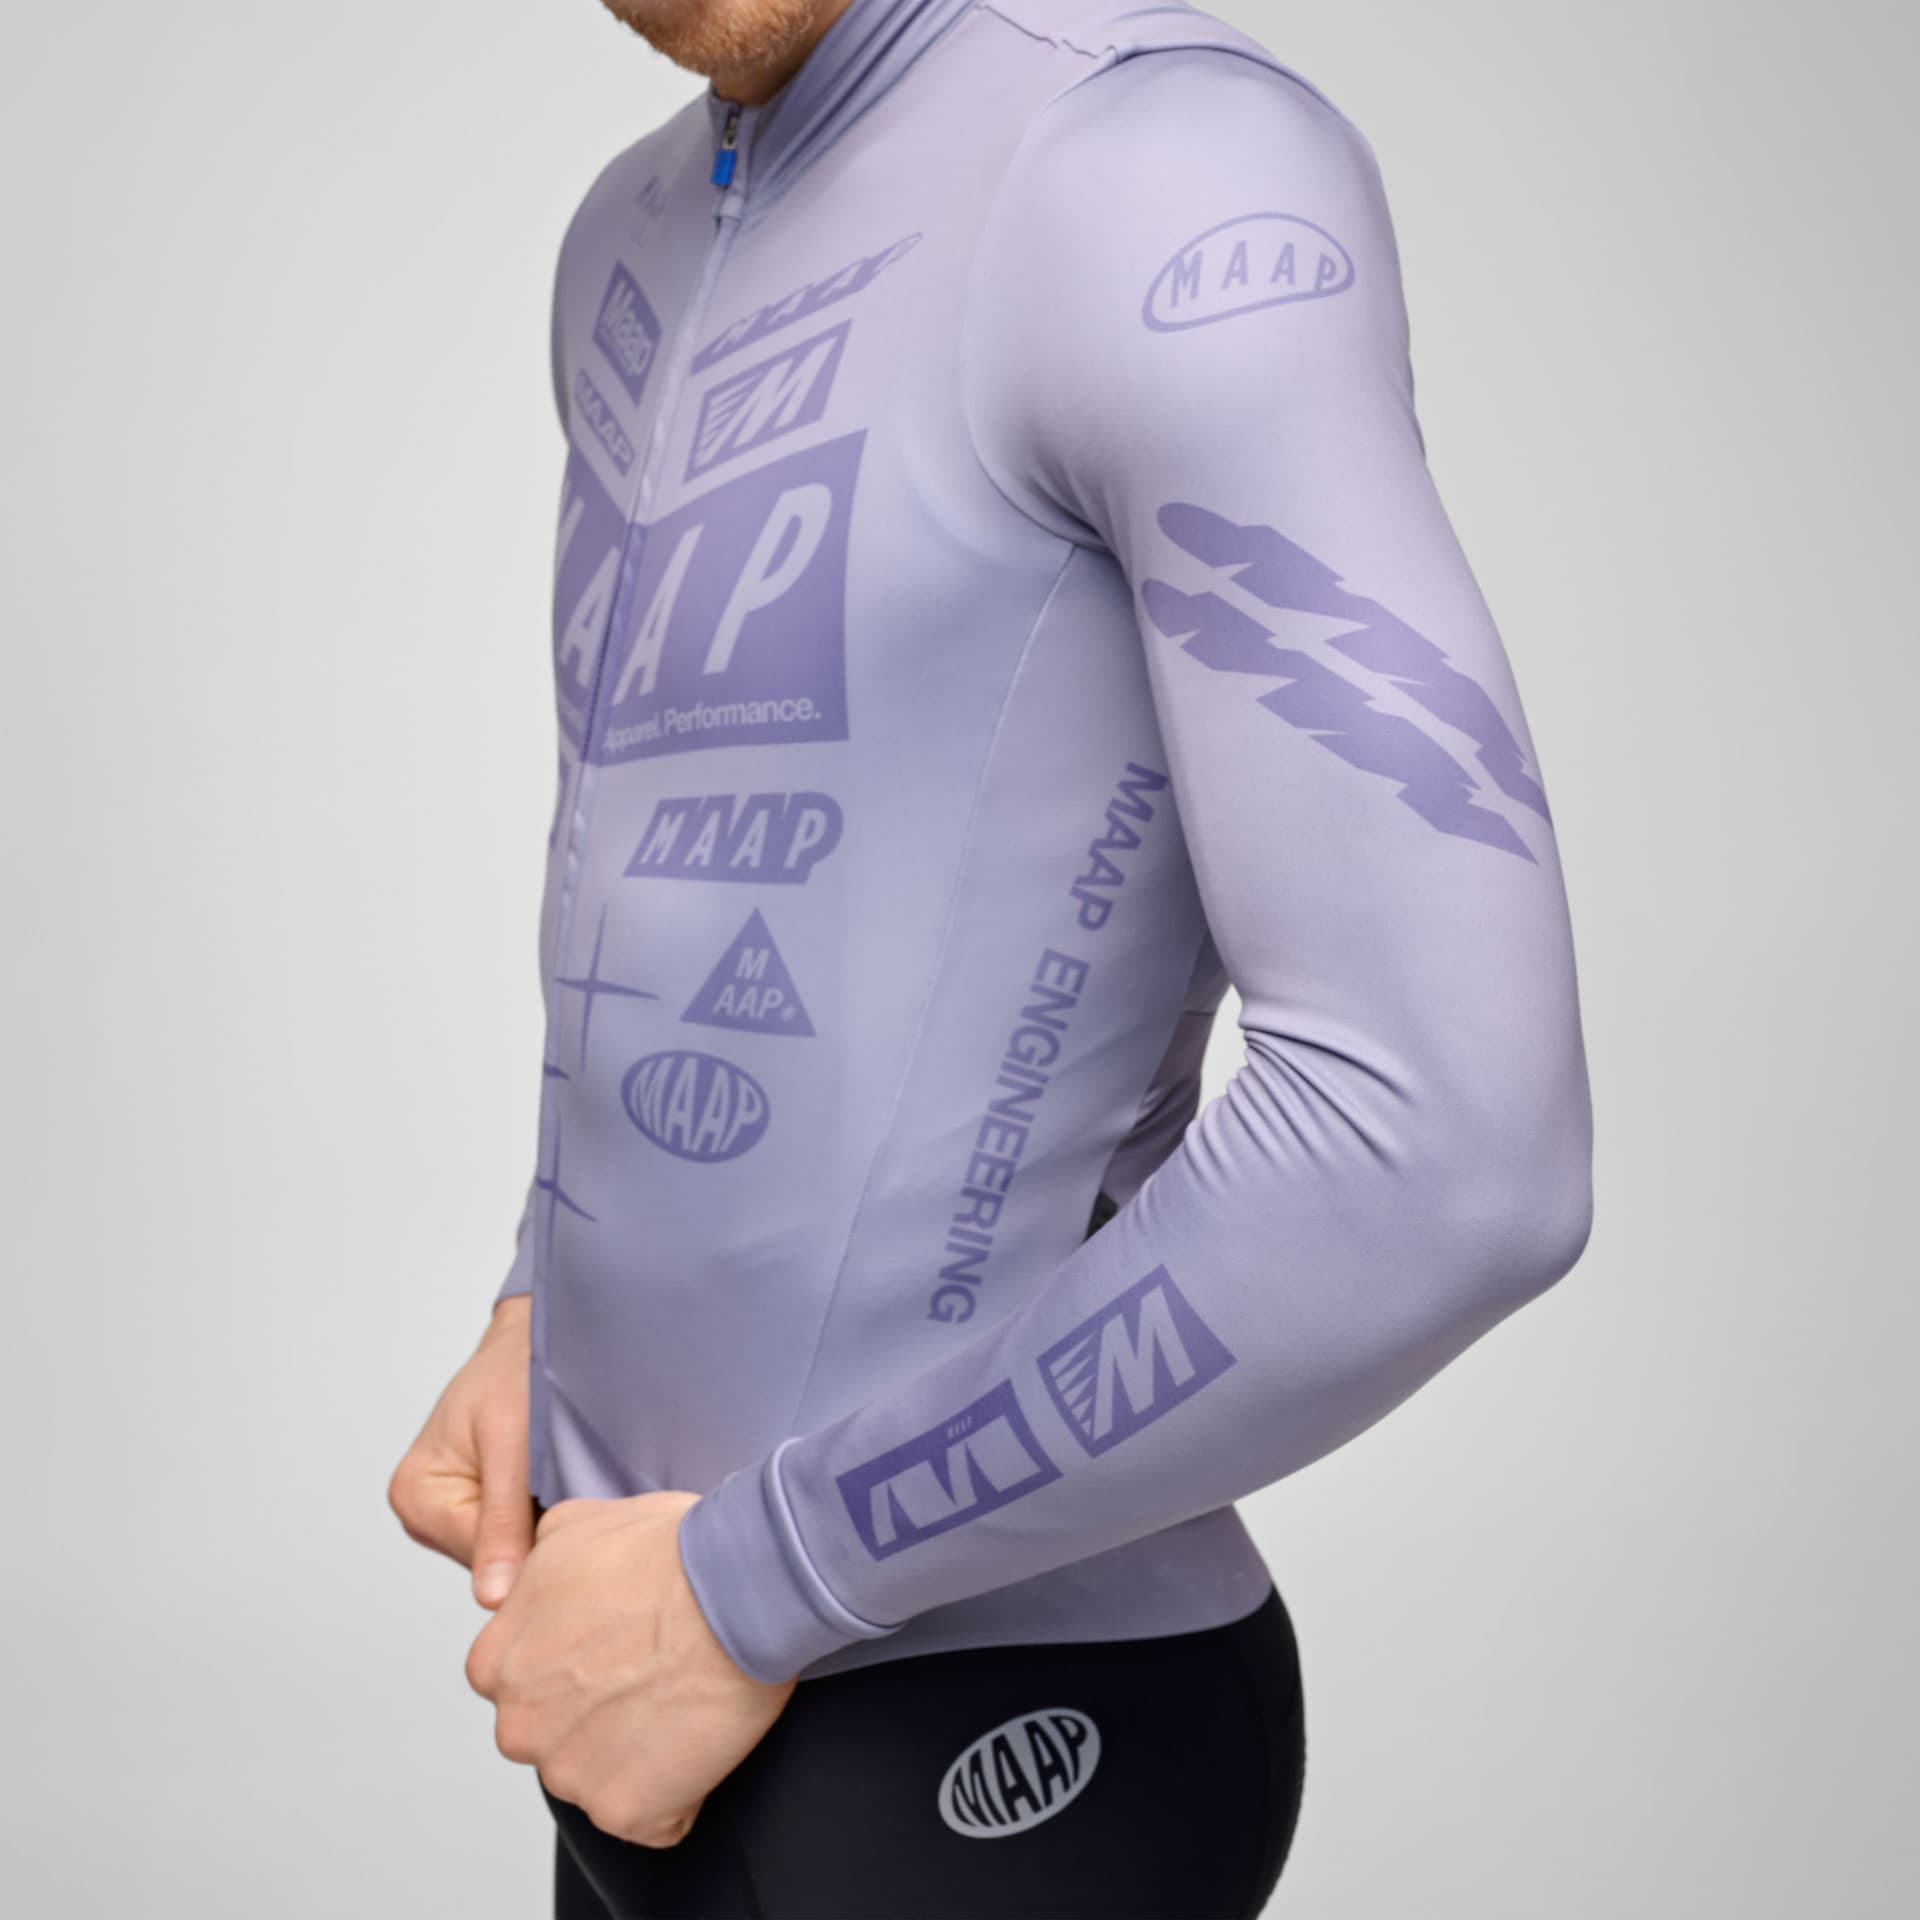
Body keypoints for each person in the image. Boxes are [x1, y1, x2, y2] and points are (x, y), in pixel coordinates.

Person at [388, 0, 1595, 1910]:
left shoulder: (1157, 173)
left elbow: (1452, 1152)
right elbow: (712, 855)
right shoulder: (628, 240)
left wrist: (752, 1580)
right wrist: (555, 1295)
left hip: (1001, 1715)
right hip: (624, 1687)